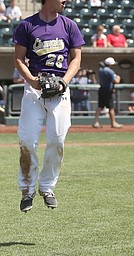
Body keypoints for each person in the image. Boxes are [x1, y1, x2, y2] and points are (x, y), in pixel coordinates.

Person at [13, 0, 85, 212]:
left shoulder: (69, 25)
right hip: (34, 89)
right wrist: (32, 81)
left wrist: (64, 81)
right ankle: (27, 190)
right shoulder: (26, 26)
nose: (67, 0)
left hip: (60, 89)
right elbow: (18, 59)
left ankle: (46, 187)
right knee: (26, 139)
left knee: (57, 139)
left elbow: (76, 59)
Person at [92, 57, 123, 128]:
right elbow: (116, 81)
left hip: (102, 89)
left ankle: (95, 122)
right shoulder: (110, 71)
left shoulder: (101, 70)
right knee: (111, 107)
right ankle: (113, 123)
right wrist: (118, 77)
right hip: (108, 91)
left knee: (100, 107)